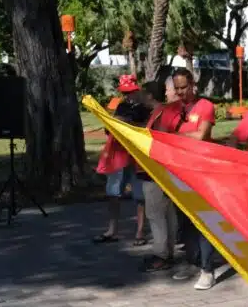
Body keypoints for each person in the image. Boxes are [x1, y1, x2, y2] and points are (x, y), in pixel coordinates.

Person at [166, 68, 221, 290]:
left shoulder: (205, 106)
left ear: (192, 85)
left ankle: (207, 270)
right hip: (179, 171)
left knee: (204, 221)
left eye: (183, 87)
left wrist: (173, 137)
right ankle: (193, 262)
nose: (180, 92)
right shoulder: (173, 109)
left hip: (201, 171)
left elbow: (201, 135)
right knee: (185, 222)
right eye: (177, 88)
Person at [94, 75, 149, 245]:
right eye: (125, 93)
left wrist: (127, 122)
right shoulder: (121, 106)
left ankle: (140, 232)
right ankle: (112, 230)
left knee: (139, 195)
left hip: (136, 155)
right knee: (113, 192)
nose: (128, 96)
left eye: (130, 92)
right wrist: (111, 125)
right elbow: (110, 129)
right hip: (119, 154)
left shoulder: (145, 108)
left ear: (137, 90)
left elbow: (147, 128)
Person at [139, 79, 184, 272]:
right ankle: (167, 252)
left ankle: (161, 255)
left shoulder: (160, 114)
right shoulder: (161, 113)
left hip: (155, 172)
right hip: (161, 171)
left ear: (150, 95)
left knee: (156, 214)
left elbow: (158, 141)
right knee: (167, 213)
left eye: (143, 93)